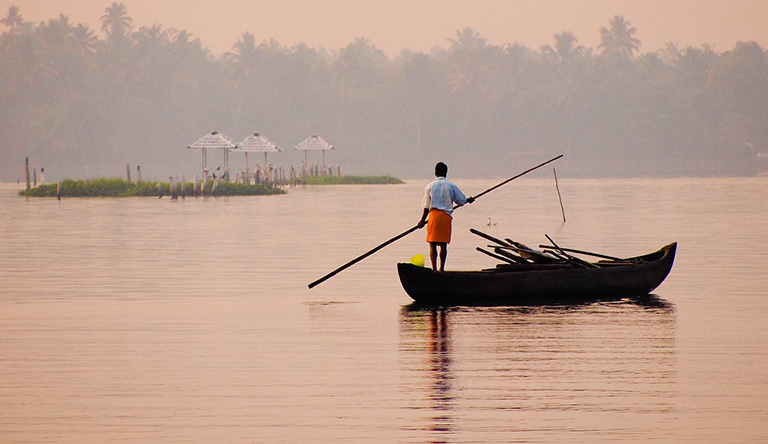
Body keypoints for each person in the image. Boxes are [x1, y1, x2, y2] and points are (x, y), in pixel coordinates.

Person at [417, 162, 474, 272]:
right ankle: (441, 269)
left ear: (435, 173)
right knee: (443, 245)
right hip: (445, 216)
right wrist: (468, 200)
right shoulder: (451, 186)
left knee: (432, 244)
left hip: (433, 216)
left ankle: (434, 270)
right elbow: (461, 200)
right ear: (446, 173)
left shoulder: (429, 186)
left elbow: (426, 207)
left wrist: (422, 221)